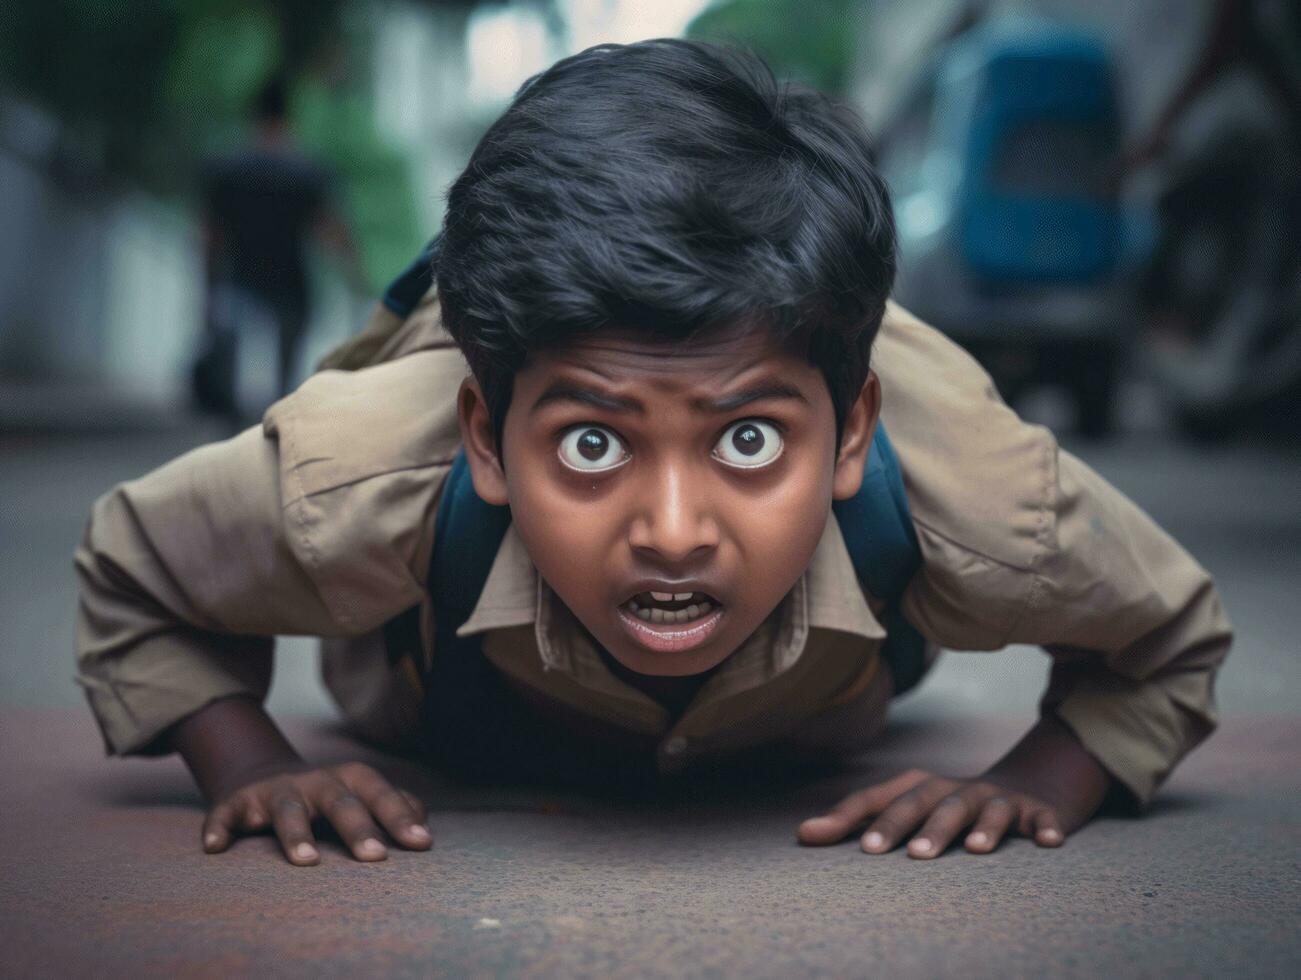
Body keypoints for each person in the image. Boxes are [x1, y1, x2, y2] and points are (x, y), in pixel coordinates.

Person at [75, 40, 1231, 867]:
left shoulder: (970, 494)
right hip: (438, 693)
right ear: (484, 436)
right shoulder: (367, 472)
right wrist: (246, 761)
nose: (672, 528)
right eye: (588, 442)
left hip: (821, 696)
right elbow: (136, 566)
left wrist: (1043, 777)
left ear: (851, 433)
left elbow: (1169, 634)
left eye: (747, 439)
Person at [197, 74, 357, 415]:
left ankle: (236, 440)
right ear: (288, 118)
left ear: (254, 116)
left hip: (241, 282)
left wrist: (208, 289)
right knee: (283, 384)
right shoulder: (308, 171)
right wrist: (355, 274)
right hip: (291, 287)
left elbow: (211, 236)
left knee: (236, 382)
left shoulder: (227, 170)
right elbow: (332, 231)